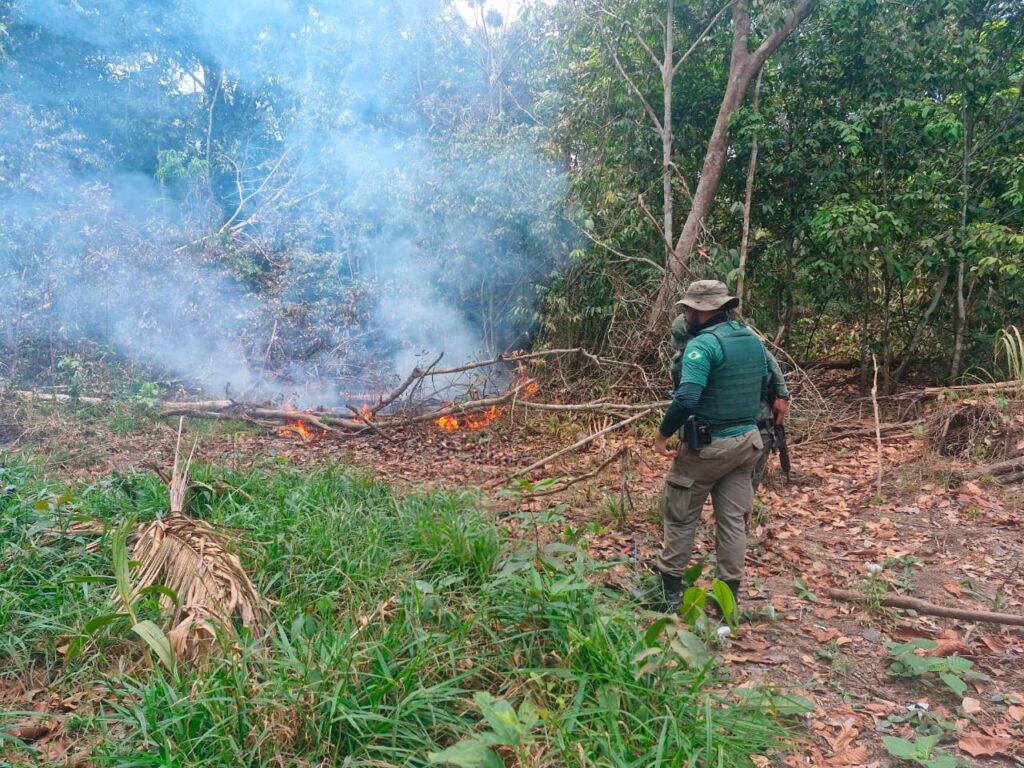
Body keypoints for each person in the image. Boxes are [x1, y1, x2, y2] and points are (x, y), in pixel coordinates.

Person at [644, 280, 768, 615]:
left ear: (704, 311)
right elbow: (767, 385)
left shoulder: (704, 346)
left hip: (709, 447)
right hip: (747, 444)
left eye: (688, 309)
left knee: (680, 513)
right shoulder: (751, 340)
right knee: (732, 521)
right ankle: (727, 600)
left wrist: (661, 435)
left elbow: (686, 398)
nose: (684, 314)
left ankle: (668, 593)